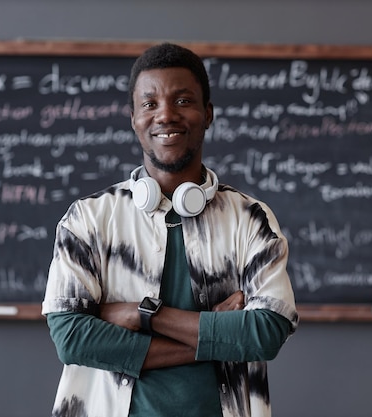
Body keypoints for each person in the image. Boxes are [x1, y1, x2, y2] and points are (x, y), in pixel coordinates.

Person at [42, 43, 299, 417]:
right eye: (149, 104)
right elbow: (71, 338)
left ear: (207, 114)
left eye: (182, 101)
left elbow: (266, 332)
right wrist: (217, 332)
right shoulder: (87, 219)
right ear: (133, 118)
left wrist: (144, 315)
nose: (165, 115)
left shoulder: (250, 218)